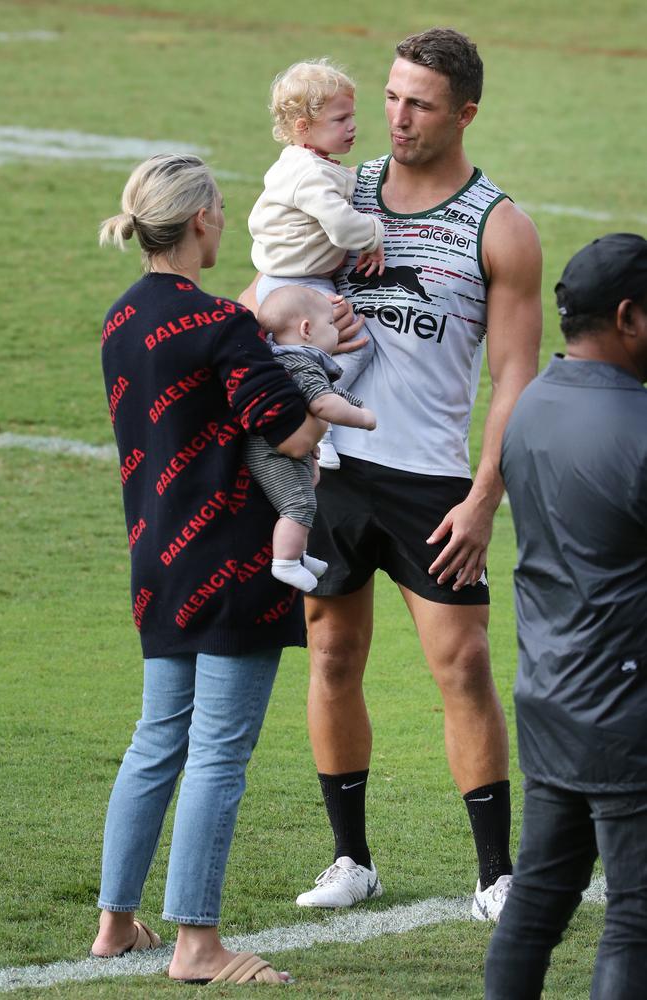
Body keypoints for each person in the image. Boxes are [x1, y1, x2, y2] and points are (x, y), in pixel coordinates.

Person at [242, 27, 543, 916]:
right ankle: (352, 861)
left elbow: (515, 375)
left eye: (419, 102)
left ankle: (495, 874)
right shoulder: (337, 182)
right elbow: (267, 292)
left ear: (465, 113)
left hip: (432, 481)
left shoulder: (500, 225)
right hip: (331, 470)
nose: (397, 117)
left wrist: (487, 493)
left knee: (463, 667)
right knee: (330, 657)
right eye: (389, 95)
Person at [91, 153, 325, 985]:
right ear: (198, 222)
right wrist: (322, 365)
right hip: (230, 562)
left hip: (156, 557)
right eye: (220, 209)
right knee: (219, 755)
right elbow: (291, 431)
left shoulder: (122, 319)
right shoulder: (222, 323)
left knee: (157, 741)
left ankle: (116, 923)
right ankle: (197, 945)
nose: (225, 220)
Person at [485, 233, 647, 999]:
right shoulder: (638, 430)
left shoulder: (532, 406)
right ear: (629, 319)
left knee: (539, 904)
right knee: (638, 917)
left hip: (550, 701)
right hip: (627, 716)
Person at [248, 57, 384, 470]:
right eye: (340, 119)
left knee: (301, 354)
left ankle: (305, 414)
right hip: (300, 288)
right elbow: (343, 228)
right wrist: (375, 233)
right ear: (304, 127)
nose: (352, 126)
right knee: (359, 345)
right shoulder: (309, 173)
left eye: (352, 116)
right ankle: (322, 419)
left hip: (285, 282)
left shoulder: (304, 163)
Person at [245, 285, 376, 592]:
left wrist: (354, 403)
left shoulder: (287, 358)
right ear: (306, 329)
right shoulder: (301, 362)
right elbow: (322, 403)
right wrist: (363, 419)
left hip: (276, 450)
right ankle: (286, 563)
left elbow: (327, 393)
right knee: (299, 504)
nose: (335, 331)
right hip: (273, 453)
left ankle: (299, 553)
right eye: (330, 324)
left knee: (308, 488)